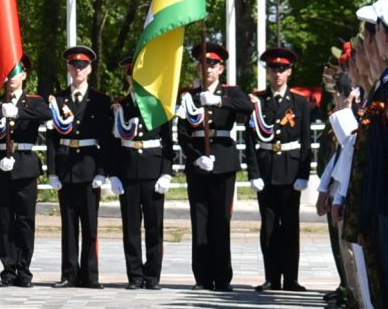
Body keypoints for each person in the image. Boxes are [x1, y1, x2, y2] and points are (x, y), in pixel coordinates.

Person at [175, 40, 252, 291]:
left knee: (221, 221)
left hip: (223, 161)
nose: (208, 68)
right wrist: (195, 156)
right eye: (203, 64)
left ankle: (222, 276)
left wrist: (219, 102)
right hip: (199, 161)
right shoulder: (190, 97)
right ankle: (202, 277)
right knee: (200, 221)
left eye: (213, 64)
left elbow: (247, 107)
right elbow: (182, 133)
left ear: (221, 68)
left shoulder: (231, 93)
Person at [247, 45, 315, 291]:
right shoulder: (258, 101)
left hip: (290, 171)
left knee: (290, 227)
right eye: (273, 69)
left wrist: (303, 174)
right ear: (267, 72)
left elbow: (307, 140)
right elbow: (251, 141)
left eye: (282, 69)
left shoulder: (299, 102)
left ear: (290, 72)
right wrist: (253, 174)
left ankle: (291, 278)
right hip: (266, 171)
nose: (277, 74)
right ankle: (271, 277)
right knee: (268, 227)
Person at [0, 58, 51, 286]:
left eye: (16, 72)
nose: (11, 77)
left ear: (24, 75)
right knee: (4, 221)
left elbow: (46, 114)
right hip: (2, 167)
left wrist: (18, 112)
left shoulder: (34, 102)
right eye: (7, 72)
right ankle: (8, 270)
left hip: (25, 167)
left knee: (24, 220)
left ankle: (24, 270)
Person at [106, 56, 173, 289]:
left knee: (155, 228)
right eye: (131, 76)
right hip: (128, 173)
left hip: (154, 172)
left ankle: (153, 276)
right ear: (128, 79)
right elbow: (113, 145)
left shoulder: (158, 105)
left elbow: (168, 144)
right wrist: (113, 174)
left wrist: (167, 173)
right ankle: (134, 276)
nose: (135, 80)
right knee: (131, 228)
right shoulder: (120, 107)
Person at [49, 45, 112, 288]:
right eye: (74, 65)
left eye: (83, 65)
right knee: (68, 225)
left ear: (90, 68)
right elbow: (54, 138)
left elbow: (106, 139)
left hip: (88, 166)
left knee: (90, 226)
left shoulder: (100, 100)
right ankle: (69, 274)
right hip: (66, 167)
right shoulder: (59, 99)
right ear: (68, 68)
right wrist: (52, 171)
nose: (78, 69)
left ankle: (91, 275)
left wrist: (102, 171)